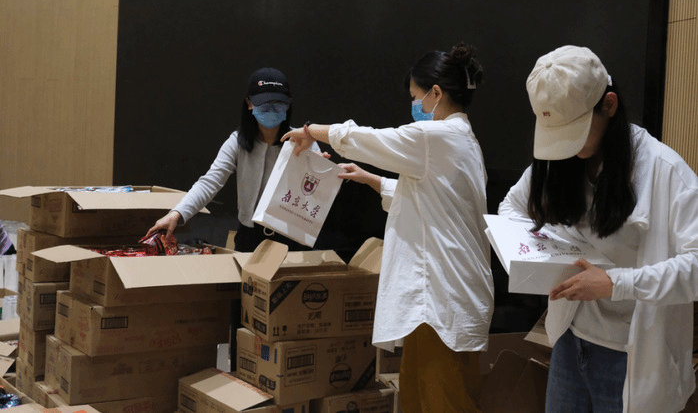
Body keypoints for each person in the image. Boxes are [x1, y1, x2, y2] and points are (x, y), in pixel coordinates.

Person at [282, 42, 494, 413]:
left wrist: (312, 130)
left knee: (441, 401)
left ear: (436, 93)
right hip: (443, 299)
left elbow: (367, 139)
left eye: (415, 97)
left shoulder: (435, 137)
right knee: (420, 396)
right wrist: (371, 180)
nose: (414, 106)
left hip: (440, 299)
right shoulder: (463, 141)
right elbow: (432, 199)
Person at [498, 45, 698, 412]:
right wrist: (545, 256)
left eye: (575, 131)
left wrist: (615, 283)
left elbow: (696, 266)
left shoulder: (665, 171)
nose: (567, 148)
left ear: (609, 105)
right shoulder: (560, 163)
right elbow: (511, 208)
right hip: (569, 340)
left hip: (631, 355)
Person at [147, 67, 320, 252]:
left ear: (288, 104)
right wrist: (176, 213)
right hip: (249, 237)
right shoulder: (237, 142)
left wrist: (319, 169)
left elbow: (318, 193)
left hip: (292, 237)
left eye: (278, 103)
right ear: (249, 103)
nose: (271, 109)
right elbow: (210, 182)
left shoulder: (303, 142)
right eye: (264, 103)